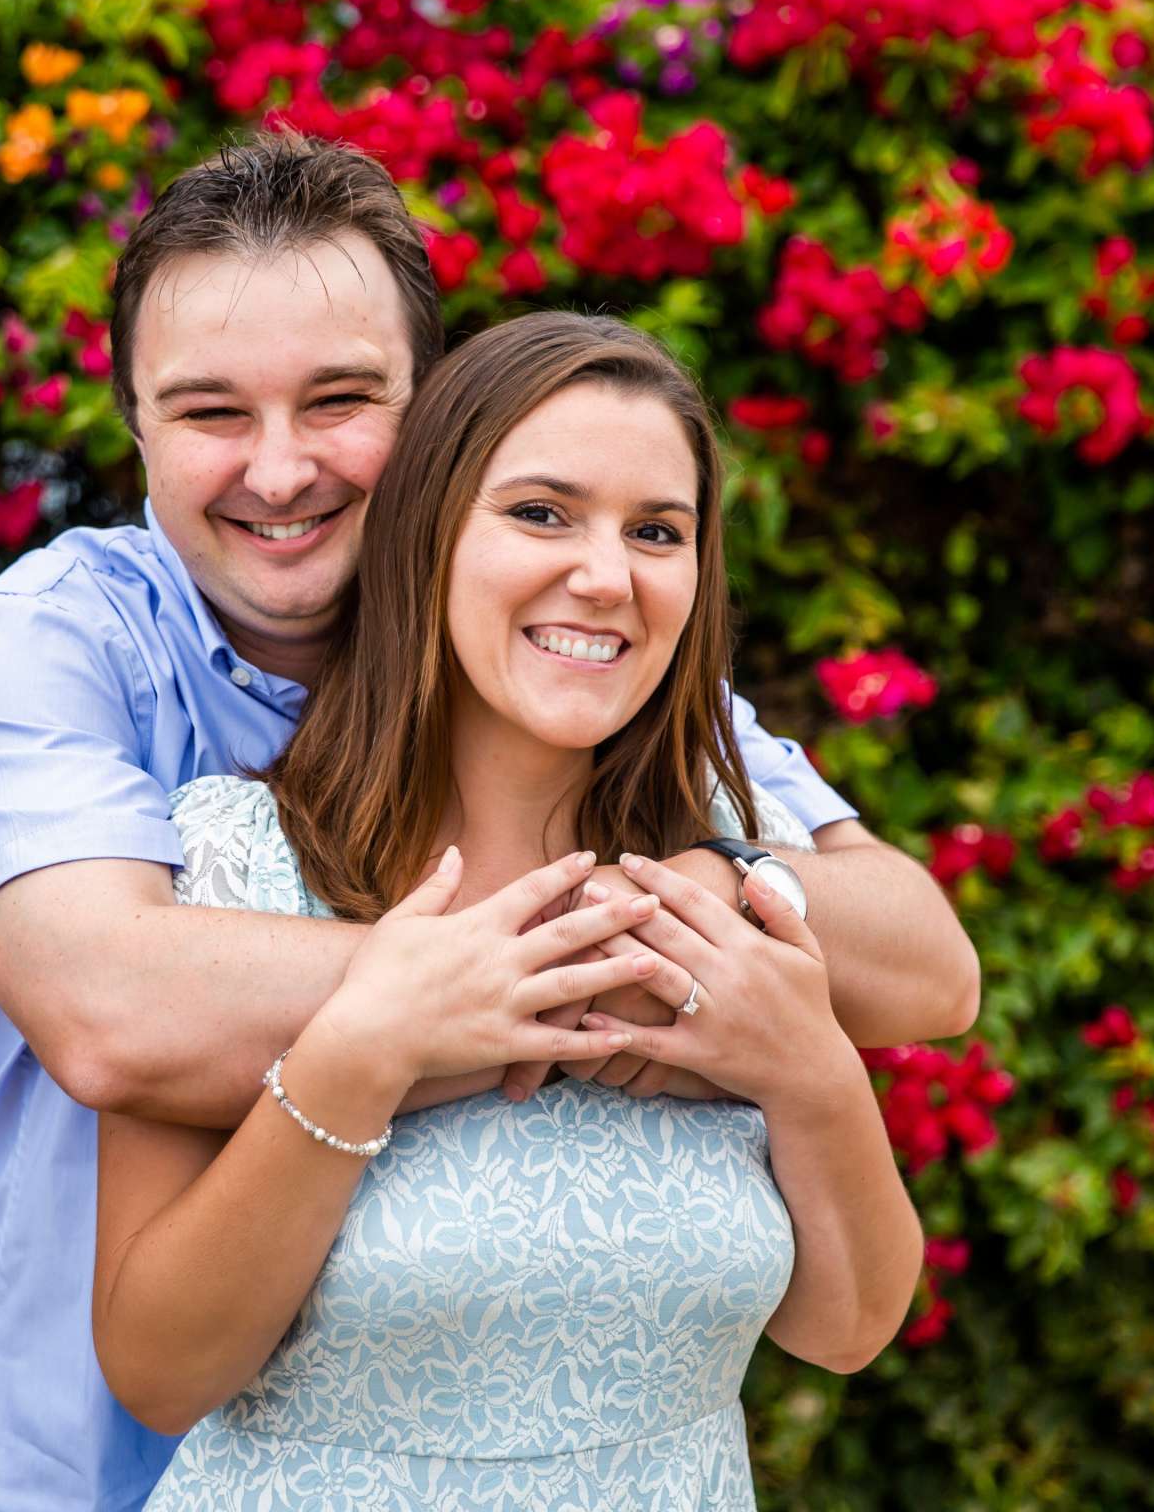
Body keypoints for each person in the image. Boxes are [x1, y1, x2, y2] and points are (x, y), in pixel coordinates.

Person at [0, 134, 977, 1512]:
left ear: (433, 420)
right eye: (211, 414)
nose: (281, 471)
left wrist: (741, 956)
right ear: (136, 431)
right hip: (76, 1467)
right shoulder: (52, 649)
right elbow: (114, 1015)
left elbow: (923, 965)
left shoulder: (578, 654)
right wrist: (593, 973)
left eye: (341, 400)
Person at [99, 310, 924, 1506]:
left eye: (658, 531)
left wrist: (812, 1072)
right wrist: (361, 1054)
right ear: (429, 532)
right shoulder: (232, 860)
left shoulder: (731, 893)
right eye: (541, 512)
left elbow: (845, 1327)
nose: (605, 574)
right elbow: (159, 1372)